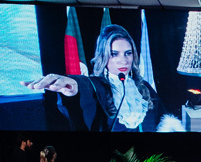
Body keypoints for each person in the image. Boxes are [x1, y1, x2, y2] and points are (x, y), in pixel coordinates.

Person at [22, 24, 182, 133]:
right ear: (104, 56)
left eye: (128, 53)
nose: (123, 60)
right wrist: (72, 86)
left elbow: (163, 119)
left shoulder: (144, 86)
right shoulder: (95, 85)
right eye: (115, 54)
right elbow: (83, 87)